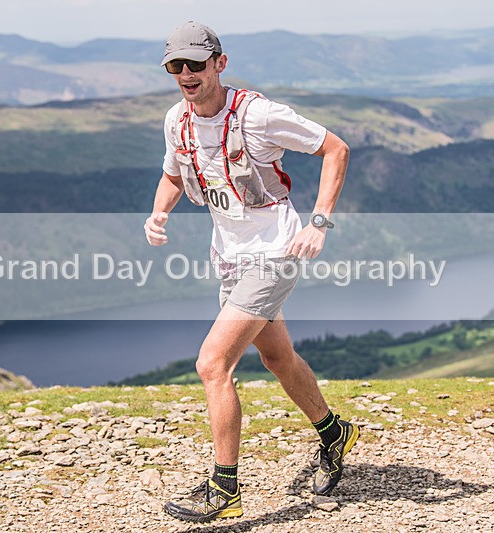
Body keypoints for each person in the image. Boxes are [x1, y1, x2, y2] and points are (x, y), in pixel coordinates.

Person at [143, 21, 356, 523]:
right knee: (279, 359)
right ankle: (334, 432)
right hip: (230, 258)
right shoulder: (178, 120)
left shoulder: (257, 115)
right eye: (176, 65)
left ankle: (225, 488)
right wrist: (159, 212)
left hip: (276, 251)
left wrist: (319, 223)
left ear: (219, 63)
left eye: (196, 63)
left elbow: (336, 149)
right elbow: (174, 174)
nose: (186, 74)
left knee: (212, 364)